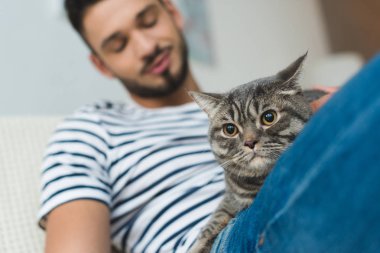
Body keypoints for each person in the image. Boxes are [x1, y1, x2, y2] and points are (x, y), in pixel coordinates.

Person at [37, 0, 344, 252]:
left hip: (313, 195)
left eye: (147, 21)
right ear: (102, 64)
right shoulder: (90, 129)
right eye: (119, 44)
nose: (146, 46)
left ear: (172, 13)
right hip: (236, 238)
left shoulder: (244, 107)